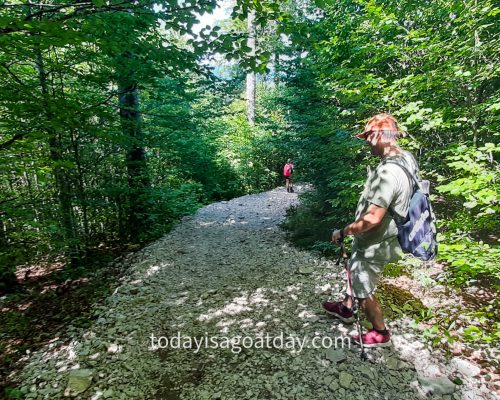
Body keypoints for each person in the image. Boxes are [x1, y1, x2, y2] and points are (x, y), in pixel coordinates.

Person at [322, 113, 419, 348]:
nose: (366, 142)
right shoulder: (407, 158)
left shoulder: (389, 172)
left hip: (377, 241)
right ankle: (346, 308)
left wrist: (344, 231)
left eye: (367, 136)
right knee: (355, 267)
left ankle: (380, 331)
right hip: (386, 236)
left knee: (362, 283)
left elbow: (372, 219)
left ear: (377, 136)